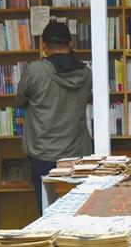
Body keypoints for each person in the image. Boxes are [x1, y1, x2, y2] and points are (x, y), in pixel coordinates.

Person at [15, 21, 92, 214]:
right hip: (77, 153)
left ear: (43, 45)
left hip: (43, 152)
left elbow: (20, 101)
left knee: (47, 208)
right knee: (78, 208)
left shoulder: (35, 70)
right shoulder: (86, 74)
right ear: (70, 43)